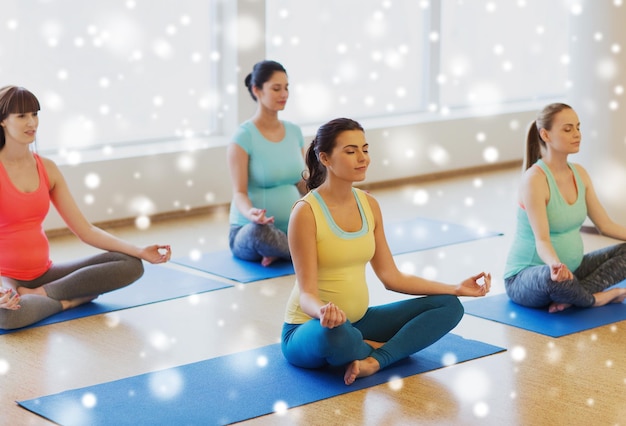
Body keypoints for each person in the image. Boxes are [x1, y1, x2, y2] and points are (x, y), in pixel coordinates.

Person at [281, 117, 491, 385]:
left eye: (365, 149)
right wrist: (324, 312)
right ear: (325, 158)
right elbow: (307, 293)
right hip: (310, 328)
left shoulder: (369, 204)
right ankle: (389, 349)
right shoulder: (306, 212)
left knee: (449, 306)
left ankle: (373, 359)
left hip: (359, 320)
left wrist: (455, 288)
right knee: (337, 334)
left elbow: (391, 277)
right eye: (350, 151)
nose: (363, 158)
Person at [0, 85, 171, 330]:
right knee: (6, 317)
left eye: (35, 114)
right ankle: (68, 301)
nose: (32, 122)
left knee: (131, 263)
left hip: (45, 274)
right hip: (5, 278)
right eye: (22, 116)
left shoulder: (47, 168)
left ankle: (41, 294)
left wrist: (139, 250)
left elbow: (85, 230)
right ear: (2, 121)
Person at [504, 103, 626, 313]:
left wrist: (564, 272)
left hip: (572, 272)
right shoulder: (535, 180)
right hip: (528, 277)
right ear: (546, 135)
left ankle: (573, 297)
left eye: (578, 127)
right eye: (567, 129)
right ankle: (596, 298)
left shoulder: (580, 173)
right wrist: (554, 265)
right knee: (553, 280)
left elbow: (605, 225)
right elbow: (542, 240)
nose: (577, 134)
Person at [227, 60, 306, 267]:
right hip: (251, 230)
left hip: (291, 228)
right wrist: (251, 214)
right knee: (259, 233)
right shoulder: (243, 137)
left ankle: (282, 251)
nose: (284, 94)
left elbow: (304, 184)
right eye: (276, 88)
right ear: (257, 90)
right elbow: (239, 193)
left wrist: (336, 197)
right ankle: (297, 252)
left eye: (287, 88)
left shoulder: (294, 132)